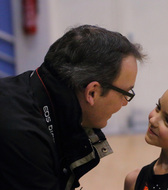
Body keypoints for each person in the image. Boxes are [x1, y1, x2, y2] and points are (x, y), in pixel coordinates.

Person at [0, 25, 145, 190]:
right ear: (92, 92)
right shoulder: (23, 137)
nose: (125, 102)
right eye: (125, 93)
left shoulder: (29, 91)